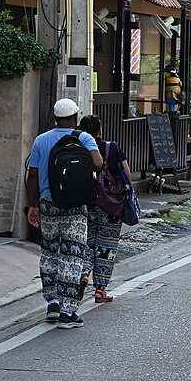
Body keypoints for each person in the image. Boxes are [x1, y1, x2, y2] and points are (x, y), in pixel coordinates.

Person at [26, 98, 103, 329]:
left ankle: (53, 303)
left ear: (55, 117)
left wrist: (32, 205)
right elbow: (98, 164)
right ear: (76, 116)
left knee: (50, 252)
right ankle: (68, 313)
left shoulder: (41, 140)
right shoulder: (84, 138)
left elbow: (33, 175)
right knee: (72, 256)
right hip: (75, 206)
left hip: (49, 203)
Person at [78, 114, 132, 304]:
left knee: (87, 243)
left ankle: (83, 273)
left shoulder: (78, 146)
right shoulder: (111, 147)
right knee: (106, 246)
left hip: (85, 203)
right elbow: (126, 174)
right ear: (100, 131)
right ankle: (100, 291)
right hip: (110, 205)